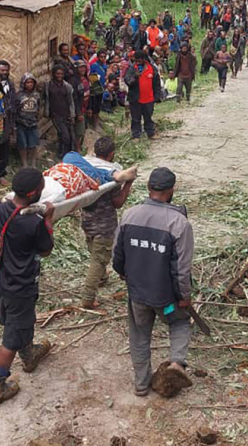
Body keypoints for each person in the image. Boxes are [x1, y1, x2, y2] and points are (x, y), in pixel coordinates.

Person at [112, 167, 194, 397]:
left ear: (148, 188)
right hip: (165, 299)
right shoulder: (179, 223)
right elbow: (181, 269)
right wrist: (184, 297)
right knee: (178, 322)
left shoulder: (129, 215)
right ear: (171, 191)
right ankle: (177, 364)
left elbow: (117, 255)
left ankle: (141, 384)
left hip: (138, 294)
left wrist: (125, 275)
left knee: (139, 334)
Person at [0, 168, 55, 408]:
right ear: (34, 193)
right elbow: (45, 250)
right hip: (20, 287)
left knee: (19, 322)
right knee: (10, 337)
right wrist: (47, 221)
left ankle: (29, 353)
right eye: (42, 189)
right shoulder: (33, 223)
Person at [81, 137, 135, 309]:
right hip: (104, 224)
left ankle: (102, 278)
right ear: (112, 154)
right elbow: (117, 202)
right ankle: (88, 298)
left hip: (87, 219)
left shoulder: (86, 166)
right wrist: (128, 184)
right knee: (99, 258)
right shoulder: (112, 173)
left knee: (94, 248)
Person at [124, 50, 161, 140]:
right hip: (135, 98)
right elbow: (127, 80)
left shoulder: (152, 68)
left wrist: (157, 96)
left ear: (144, 59)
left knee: (148, 117)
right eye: (136, 60)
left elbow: (156, 83)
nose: (138, 61)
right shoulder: (132, 68)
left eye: (140, 59)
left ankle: (150, 133)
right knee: (135, 118)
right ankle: (136, 135)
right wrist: (135, 77)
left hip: (149, 98)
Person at [43, 64, 75, 159]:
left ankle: (62, 153)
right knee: (65, 136)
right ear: (53, 74)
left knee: (65, 135)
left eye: (61, 74)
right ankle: (63, 155)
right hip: (55, 114)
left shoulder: (67, 86)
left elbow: (71, 101)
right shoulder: (48, 85)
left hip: (66, 113)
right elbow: (43, 99)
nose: (59, 76)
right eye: (57, 74)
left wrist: (72, 114)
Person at [15, 73, 40, 168]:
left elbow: (38, 107)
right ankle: (24, 163)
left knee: (33, 144)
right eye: (27, 82)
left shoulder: (36, 95)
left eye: (31, 82)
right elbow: (16, 109)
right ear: (23, 83)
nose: (30, 84)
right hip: (21, 123)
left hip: (33, 123)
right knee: (23, 144)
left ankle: (33, 163)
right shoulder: (19, 95)